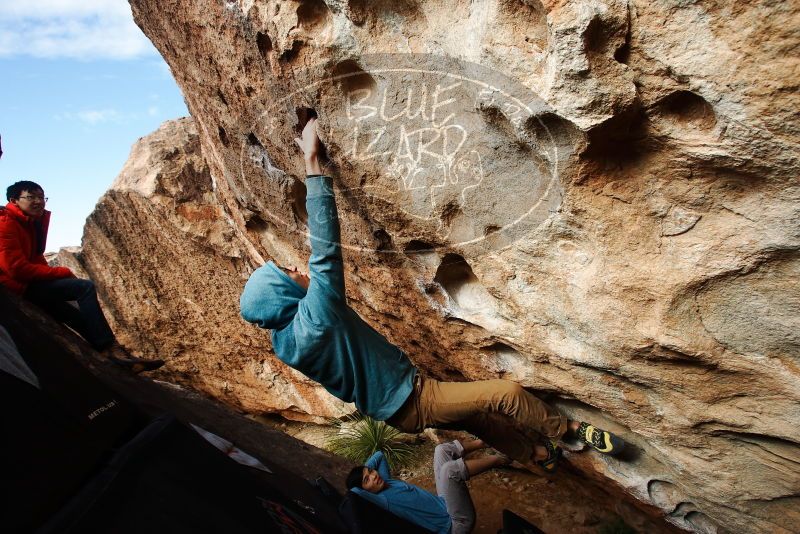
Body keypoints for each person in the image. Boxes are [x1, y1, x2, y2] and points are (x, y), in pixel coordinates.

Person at [240, 118, 623, 471]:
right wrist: (311, 160)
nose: (296, 269)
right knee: (504, 394)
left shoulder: (284, 339)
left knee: (480, 420)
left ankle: (536, 455)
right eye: (287, 273)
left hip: (396, 406)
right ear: (282, 296)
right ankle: (569, 431)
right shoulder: (317, 318)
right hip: (414, 400)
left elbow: (284, 299)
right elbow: (325, 248)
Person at [0, 180, 163, 373]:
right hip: (16, 287)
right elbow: (16, 268)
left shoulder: (28, 223)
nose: (39, 202)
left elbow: (35, 259)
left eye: (41, 197)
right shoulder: (6, 223)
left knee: (74, 317)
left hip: (25, 285)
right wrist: (60, 273)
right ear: (14, 200)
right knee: (83, 288)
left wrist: (54, 278)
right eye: (31, 197)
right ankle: (111, 349)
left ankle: (116, 357)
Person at [347, 439, 508, 534]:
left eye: (371, 471)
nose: (374, 476)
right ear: (364, 491)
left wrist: (363, 472)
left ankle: (483, 441)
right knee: (448, 470)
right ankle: (501, 459)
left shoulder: (385, 481)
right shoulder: (381, 500)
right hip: (454, 525)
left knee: (441, 450)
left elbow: (379, 455)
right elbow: (353, 491)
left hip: (444, 502)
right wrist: (360, 481)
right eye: (367, 480)